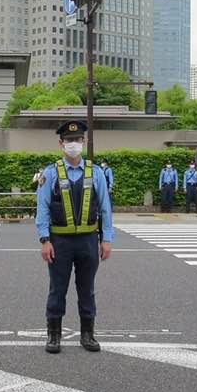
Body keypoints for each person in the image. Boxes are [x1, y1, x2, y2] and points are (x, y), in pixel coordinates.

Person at [36, 120, 114, 354]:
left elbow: (105, 208)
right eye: (69, 140)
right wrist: (44, 239)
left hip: (88, 241)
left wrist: (107, 238)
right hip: (59, 242)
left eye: (77, 140)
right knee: (57, 289)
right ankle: (54, 335)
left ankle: (88, 334)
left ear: (84, 141)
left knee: (86, 289)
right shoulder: (50, 173)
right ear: (61, 143)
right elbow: (43, 208)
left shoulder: (95, 172)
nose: (74, 144)